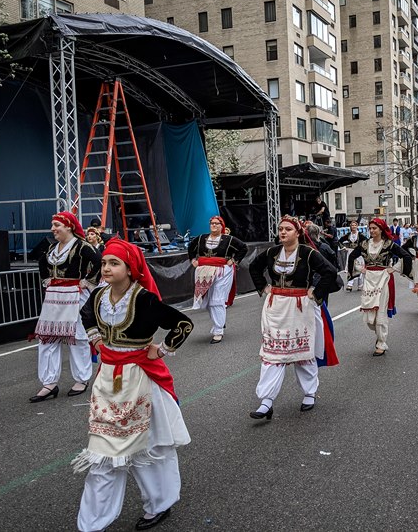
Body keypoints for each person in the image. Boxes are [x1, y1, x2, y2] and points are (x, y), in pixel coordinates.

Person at [75, 238, 194, 532]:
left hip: (142, 380)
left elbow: (182, 323)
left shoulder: (144, 299)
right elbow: (85, 315)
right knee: (103, 450)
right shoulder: (98, 296)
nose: (106, 268)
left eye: (114, 263)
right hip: (108, 380)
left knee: (149, 447)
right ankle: (92, 523)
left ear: (130, 268)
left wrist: (162, 349)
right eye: (103, 263)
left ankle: (160, 504)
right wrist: (96, 339)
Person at [247, 216, 340, 418]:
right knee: (272, 353)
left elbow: (329, 272)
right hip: (276, 308)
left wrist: (316, 293)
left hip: (300, 308)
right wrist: (263, 287)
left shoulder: (308, 253)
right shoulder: (272, 253)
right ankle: (266, 400)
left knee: (303, 353)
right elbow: (254, 267)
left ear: (298, 232)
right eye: (280, 229)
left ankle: (309, 393)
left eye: (288, 229)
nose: (282, 232)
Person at [29, 212, 101, 403]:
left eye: (56, 225)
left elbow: (99, 261)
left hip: (75, 295)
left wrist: (87, 281)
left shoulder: (81, 246)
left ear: (68, 226)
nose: (52, 229)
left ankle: (82, 379)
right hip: (54, 296)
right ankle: (49, 383)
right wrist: (46, 279)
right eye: (53, 225)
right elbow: (41, 261)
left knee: (77, 337)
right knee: (47, 338)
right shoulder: (53, 247)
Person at [346, 218, 412, 356]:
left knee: (380, 312)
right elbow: (352, 256)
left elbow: (405, 256)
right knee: (369, 314)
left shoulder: (388, 244)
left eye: (374, 228)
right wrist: (360, 269)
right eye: (370, 228)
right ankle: (378, 334)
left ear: (381, 229)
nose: (371, 231)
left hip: (384, 280)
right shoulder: (364, 244)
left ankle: (382, 343)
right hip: (369, 280)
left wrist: (393, 268)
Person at [187, 216, 248, 344]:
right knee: (207, 301)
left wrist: (234, 260)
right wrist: (193, 260)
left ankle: (218, 331)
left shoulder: (228, 239)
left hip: (222, 271)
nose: (214, 226)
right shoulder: (201, 238)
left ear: (222, 226)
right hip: (203, 273)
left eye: (217, 224)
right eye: (212, 223)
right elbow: (190, 247)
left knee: (217, 300)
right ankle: (219, 322)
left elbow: (243, 248)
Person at [339, 221, 368, 291]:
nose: (354, 227)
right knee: (350, 268)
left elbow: (366, 242)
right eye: (352, 225)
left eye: (355, 225)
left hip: (358, 254)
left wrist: (362, 249)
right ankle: (350, 284)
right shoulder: (348, 235)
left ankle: (360, 284)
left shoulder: (360, 235)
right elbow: (340, 241)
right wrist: (343, 247)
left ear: (357, 226)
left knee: (359, 268)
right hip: (350, 252)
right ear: (350, 226)